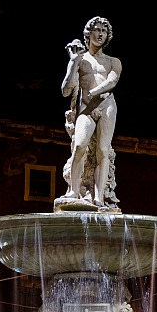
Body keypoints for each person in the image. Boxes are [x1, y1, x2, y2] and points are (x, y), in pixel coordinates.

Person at [57, 16, 122, 212]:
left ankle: (99, 197)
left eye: (104, 30)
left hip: (107, 105)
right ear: (89, 33)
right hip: (86, 108)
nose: (101, 33)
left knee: (103, 150)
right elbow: (65, 90)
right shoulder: (80, 59)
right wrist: (73, 63)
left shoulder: (113, 62)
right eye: (97, 29)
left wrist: (94, 92)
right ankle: (73, 191)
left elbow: (112, 82)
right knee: (79, 146)